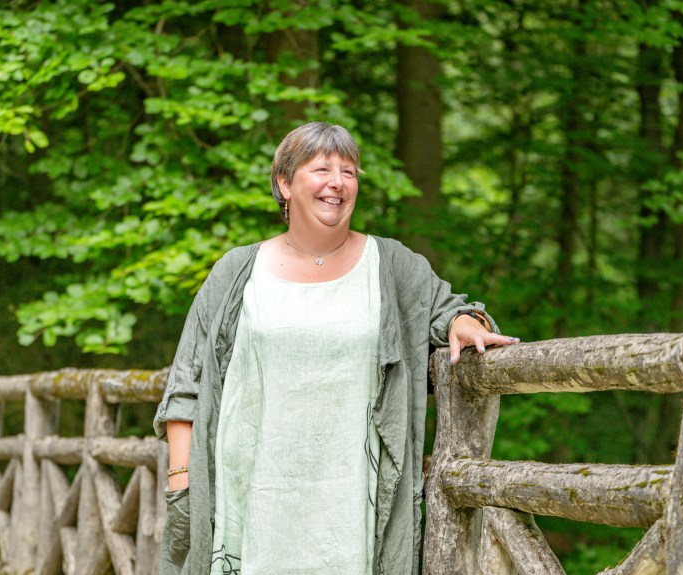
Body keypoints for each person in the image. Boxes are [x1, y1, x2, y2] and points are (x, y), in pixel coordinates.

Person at [153, 122, 517, 575]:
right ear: (284, 184)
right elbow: (186, 384)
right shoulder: (236, 271)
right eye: (322, 169)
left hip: (351, 510)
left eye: (348, 172)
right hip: (248, 502)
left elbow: (449, 310)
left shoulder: (392, 264)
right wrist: (182, 482)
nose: (338, 183)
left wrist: (465, 322)